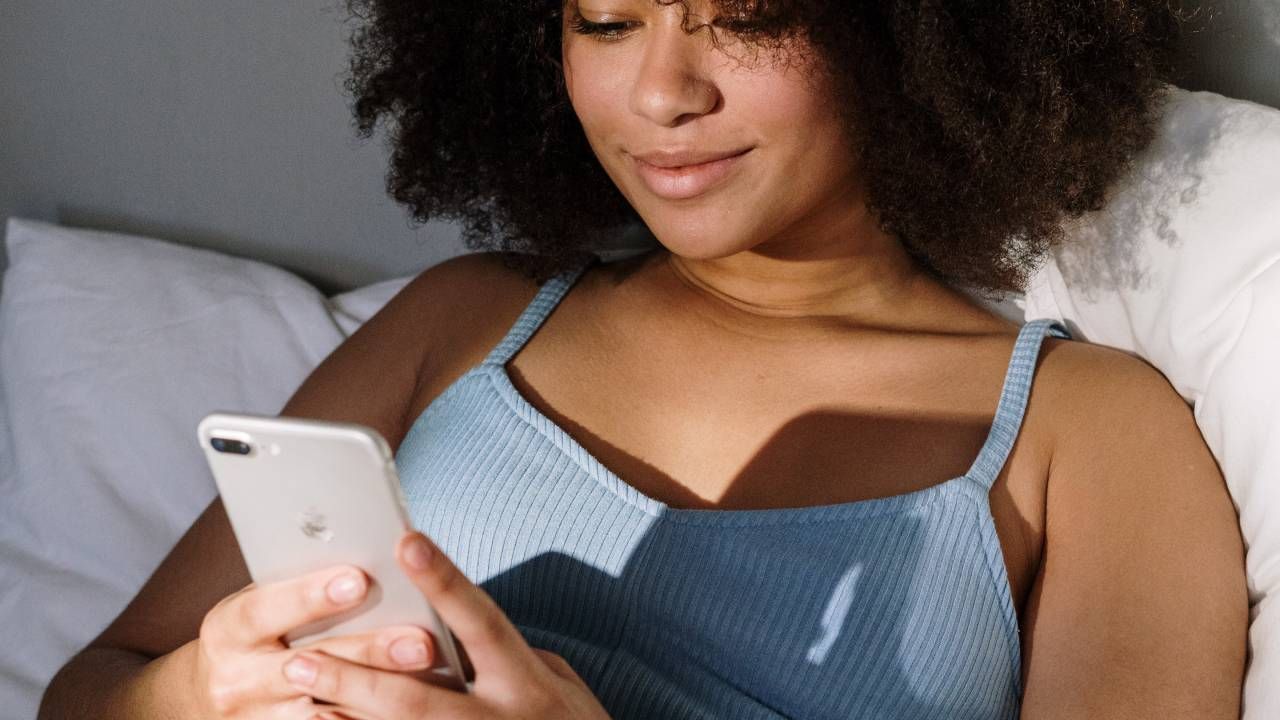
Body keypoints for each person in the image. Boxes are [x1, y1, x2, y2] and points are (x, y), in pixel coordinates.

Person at [40, 0, 1248, 718]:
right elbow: (96, 687)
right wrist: (210, 690)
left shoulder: (1081, 427)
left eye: (750, 14)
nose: (662, 90)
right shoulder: (464, 320)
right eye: (607, 19)